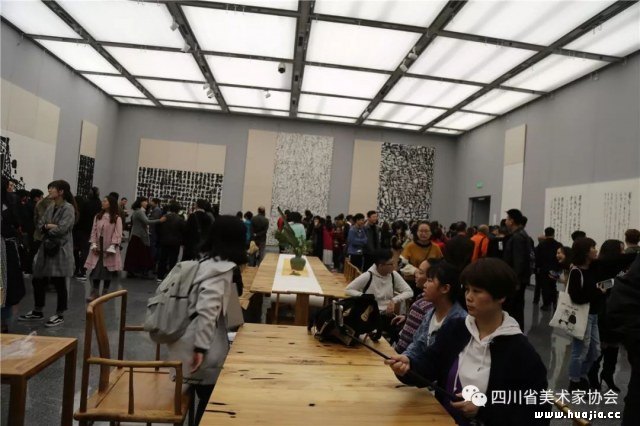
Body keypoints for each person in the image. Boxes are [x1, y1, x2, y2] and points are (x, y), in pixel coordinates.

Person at [385, 258, 549, 425]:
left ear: (501, 297)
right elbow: (430, 364)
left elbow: (538, 409)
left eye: (477, 291)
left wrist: (483, 410)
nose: (469, 297)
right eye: (467, 289)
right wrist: (409, 366)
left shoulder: (520, 350)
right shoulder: (457, 328)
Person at [166, 215, 247, 425]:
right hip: (199, 351)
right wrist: (200, 349)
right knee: (217, 399)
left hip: (184, 344)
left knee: (211, 396)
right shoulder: (220, 270)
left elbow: (230, 311)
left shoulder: (206, 261)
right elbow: (208, 311)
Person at [19, 180, 78, 327]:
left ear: (61, 191)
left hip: (60, 249)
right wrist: (48, 226)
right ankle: (37, 310)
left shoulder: (68, 208)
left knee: (59, 282)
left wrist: (48, 228)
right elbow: (40, 224)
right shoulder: (51, 206)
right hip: (46, 248)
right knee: (37, 279)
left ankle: (60, 314)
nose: (49, 190)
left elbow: (63, 229)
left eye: (52, 188)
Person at [402, 261, 467, 359]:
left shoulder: (459, 321)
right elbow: (417, 345)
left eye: (430, 281)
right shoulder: (430, 314)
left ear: (445, 288)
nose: (425, 285)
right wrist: (406, 358)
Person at [346, 249, 413, 343]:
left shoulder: (393, 275)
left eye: (394, 263)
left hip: (387, 315)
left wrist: (394, 300)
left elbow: (409, 292)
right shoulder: (368, 275)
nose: (394, 266)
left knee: (400, 331)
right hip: (370, 315)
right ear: (381, 266)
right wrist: (365, 296)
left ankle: (394, 348)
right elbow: (348, 290)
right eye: (391, 264)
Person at [393, 258, 437, 354]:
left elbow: (403, 345)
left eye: (421, 272)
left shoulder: (422, 306)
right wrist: (408, 317)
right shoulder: (423, 299)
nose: (416, 274)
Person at [84, 196, 123, 301]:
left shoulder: (116, 218)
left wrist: (113, 245)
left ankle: (105, 293)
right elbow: (94, 231)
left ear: (110, 203)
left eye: (105, 201)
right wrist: (93, 244)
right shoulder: (98, 216)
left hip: (109, 249)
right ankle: (95, 292)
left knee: (107, 271)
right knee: (96, 270)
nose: (102, 202)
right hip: (98, 248)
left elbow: (118, 234)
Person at [1, 178, 26, 332]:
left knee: (4, 285)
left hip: (5, 248)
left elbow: (16, 223)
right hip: (6, 247)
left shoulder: (9, 202)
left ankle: (3, 322)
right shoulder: (9, 202)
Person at [503, 209, 533, 331]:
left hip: (515, 280)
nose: (505, 221)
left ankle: (513, 332)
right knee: (517, 307)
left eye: (507, 219)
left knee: (514, 308)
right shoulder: (522, 234)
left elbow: (518, 261)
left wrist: (516, 281)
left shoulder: (517, 237)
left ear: (512, 221)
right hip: (519, 279)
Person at [123, 197, 165, 277]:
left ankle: (133, 271)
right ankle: (138, 271)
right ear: (141, 202)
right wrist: (160, 220)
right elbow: (147, 221)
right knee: (141, 254)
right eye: (145, 201)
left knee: (135, 254)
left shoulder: (138, 211)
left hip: (137, 235)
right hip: (139, 236)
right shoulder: (139, 212)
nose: (147, 203)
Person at [534, 227, 562, 311]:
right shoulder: (558, 245)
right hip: (555, 269)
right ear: (553, 234)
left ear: (545, 234)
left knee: (545, 287)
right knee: (553, 286)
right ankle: (554, 303)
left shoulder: (541, 245)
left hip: (544, 269)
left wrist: (537, 267)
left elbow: (537, 258)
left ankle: (546, 304)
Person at [157, 202, 185, 281]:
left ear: (170, 208)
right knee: (173, 260)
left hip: (164, 241)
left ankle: (160, 276)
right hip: (175, 242)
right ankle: (170, 277)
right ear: (178, 210)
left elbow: (158, 227)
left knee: (162, 259)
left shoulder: (164, 217)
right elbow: (183, 230)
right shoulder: (180, 219)